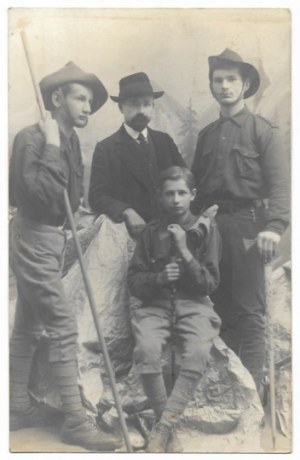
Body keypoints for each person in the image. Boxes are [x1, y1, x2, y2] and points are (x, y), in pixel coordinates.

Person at [9, 62, 122, 451]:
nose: (88, 106)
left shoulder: (71, 140)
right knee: (62, 325)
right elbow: (39, 196)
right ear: (57, 98)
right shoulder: (33, 138)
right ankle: (76, 422)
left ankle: (16, 408)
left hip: (51, 240)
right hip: (32, 236)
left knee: (28, 324)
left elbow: (70, 200)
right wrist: (52, 145)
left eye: (90, 101)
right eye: (80, 98)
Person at [191, 49, 290, 391]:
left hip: (250, 227)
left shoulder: (263, 132)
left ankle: (252, 391)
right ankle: (228, 386)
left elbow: (280, 186)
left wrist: (274, 227)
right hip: (213, 229)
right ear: (212, 87)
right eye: (218, 80)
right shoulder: (205, 136)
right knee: (218, 307)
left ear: (245, 84)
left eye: (231, 79)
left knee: (250, 310)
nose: (224, 86)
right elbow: (198, 190)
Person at [127, 166, 221, 452]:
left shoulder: (207, 230)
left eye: (182, 193)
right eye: (169, 194)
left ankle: (164, 427)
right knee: (147, 348)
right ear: (160, 197)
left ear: (193, 195)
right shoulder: (150, 233)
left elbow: (211, 283)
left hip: (194, 306)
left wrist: (185, 252)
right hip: (155, 307)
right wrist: (157, 278)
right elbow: (133, 281)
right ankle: (164, 425)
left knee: (198, 351)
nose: (176, 200)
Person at [88, 72, 185, 238]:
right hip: (130, 234)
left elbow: (184, 181)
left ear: (153, 106)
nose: (141, 110)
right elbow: (97, 196)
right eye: (134, 104)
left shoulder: (164, 142)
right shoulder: (106, 148)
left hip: (170, 230)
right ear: (121, 107)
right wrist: (126, 210)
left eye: (146, 104)